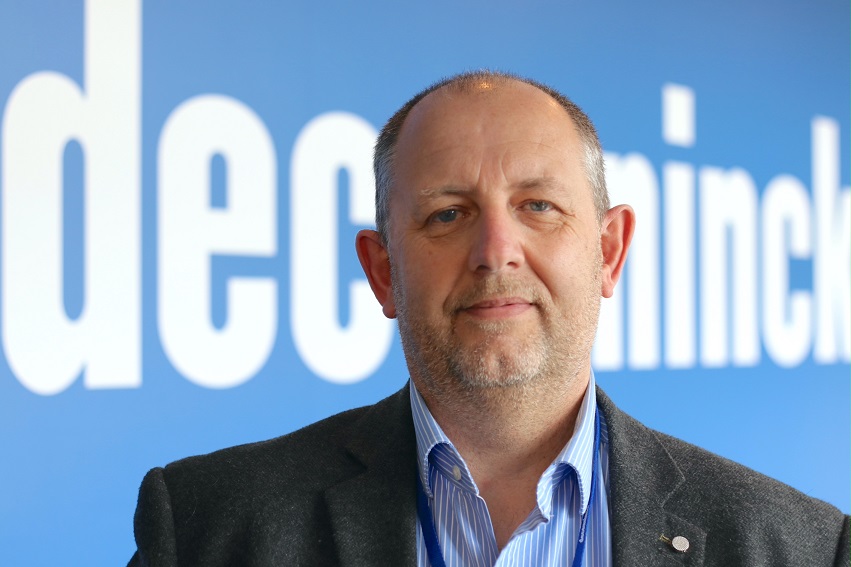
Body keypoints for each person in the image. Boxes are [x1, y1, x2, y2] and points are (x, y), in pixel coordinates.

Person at [129, 71, 849, 566]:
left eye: (537, 206)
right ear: (383, 270)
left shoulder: (801, 546)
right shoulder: (206, 528)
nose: (495, 251)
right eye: (447, 214)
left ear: (607, 251)